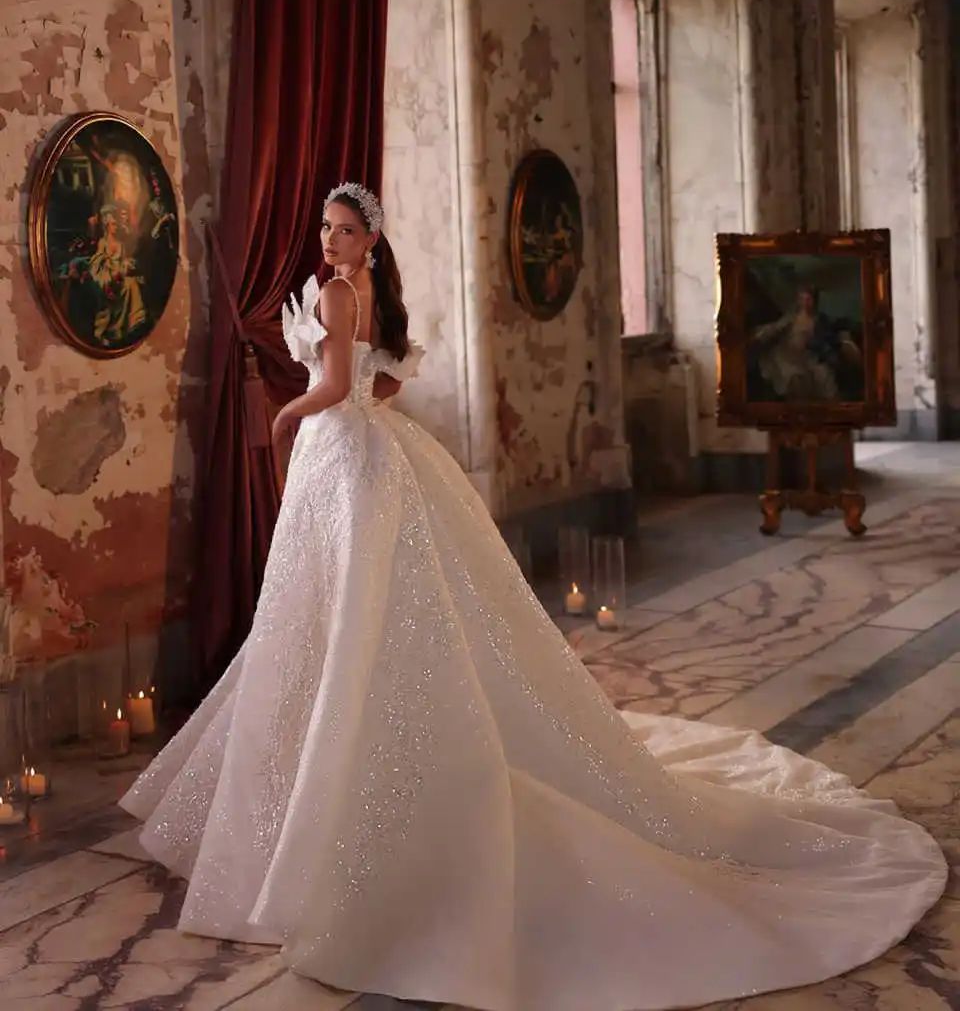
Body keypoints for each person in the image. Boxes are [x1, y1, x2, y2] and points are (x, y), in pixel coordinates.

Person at [121, 182, 945, 1011]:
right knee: (344, 619)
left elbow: (339, 386)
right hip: (373, 458)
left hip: (340, 456)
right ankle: (332, 765)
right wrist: (346, 400)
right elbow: (386, 382)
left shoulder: (339, 290)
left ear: (368, 241)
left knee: (324, 621)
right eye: (326, 229)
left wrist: (286, 415)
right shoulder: (373, 291)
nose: (330, 242)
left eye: (343, 232)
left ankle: (314, 803)